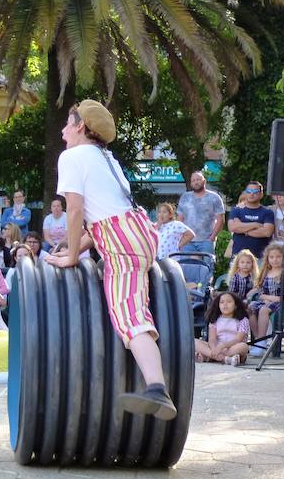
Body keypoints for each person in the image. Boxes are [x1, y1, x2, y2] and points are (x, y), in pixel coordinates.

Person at [46, 99, 175, 420]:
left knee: (130, 317)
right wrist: (77, 244)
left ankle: (158, 389)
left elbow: (75, 210)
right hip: (138, 230)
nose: (62, 131)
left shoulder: (72, 156)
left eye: (67, 123)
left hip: (122, 241)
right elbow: (105, 216)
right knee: (131, 301)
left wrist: (72, 256)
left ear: (80, 126)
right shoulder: (107, 158)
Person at [194, 292, 251, 366]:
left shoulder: (242, 320)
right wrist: (214, 349)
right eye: (222, 302)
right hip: (217, 347)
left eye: (229, 302)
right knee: (194, 342)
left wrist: (222, 346)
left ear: (235, 305)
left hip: (233, 347)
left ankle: (209, 357)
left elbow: (238, 339)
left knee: (244, 347)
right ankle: (224, 359)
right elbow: (212, 339)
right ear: (218, 306)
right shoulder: (215, 320)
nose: (225, 304)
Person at [177, 170, 225, 254]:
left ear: (204, 181)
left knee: (207, 266)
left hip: (206, 241)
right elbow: (180, 218)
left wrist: (212, 237)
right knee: (187, 265)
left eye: (198, 179)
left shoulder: (214, 197)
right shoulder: (185, 197)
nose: (196, 182)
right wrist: (180, 237)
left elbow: (220, 220)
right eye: (193, 180)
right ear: (191, 183)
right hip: (187, 241)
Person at [227, 180, 275, 259]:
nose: (251, 194)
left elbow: (267, 232)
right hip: (238, 258)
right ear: (245, 193)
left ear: (261, 194)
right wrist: (255, 225)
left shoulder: (267, 212)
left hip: (260, 258)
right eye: (249, 191)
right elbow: (233, 227)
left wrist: (243, 230)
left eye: (255, 191)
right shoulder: (237, 210)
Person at [248, 242, 283, 345]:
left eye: (278, 256)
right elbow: (261, 293)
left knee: (263, 310)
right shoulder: (265, 272)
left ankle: (261, 340)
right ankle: (257, 339)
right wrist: (266, 298)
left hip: (281, 304)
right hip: (267, 301)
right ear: (267, 258)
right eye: (271, 257)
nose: (275, 259)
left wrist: (273, 299)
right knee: (250, 308)